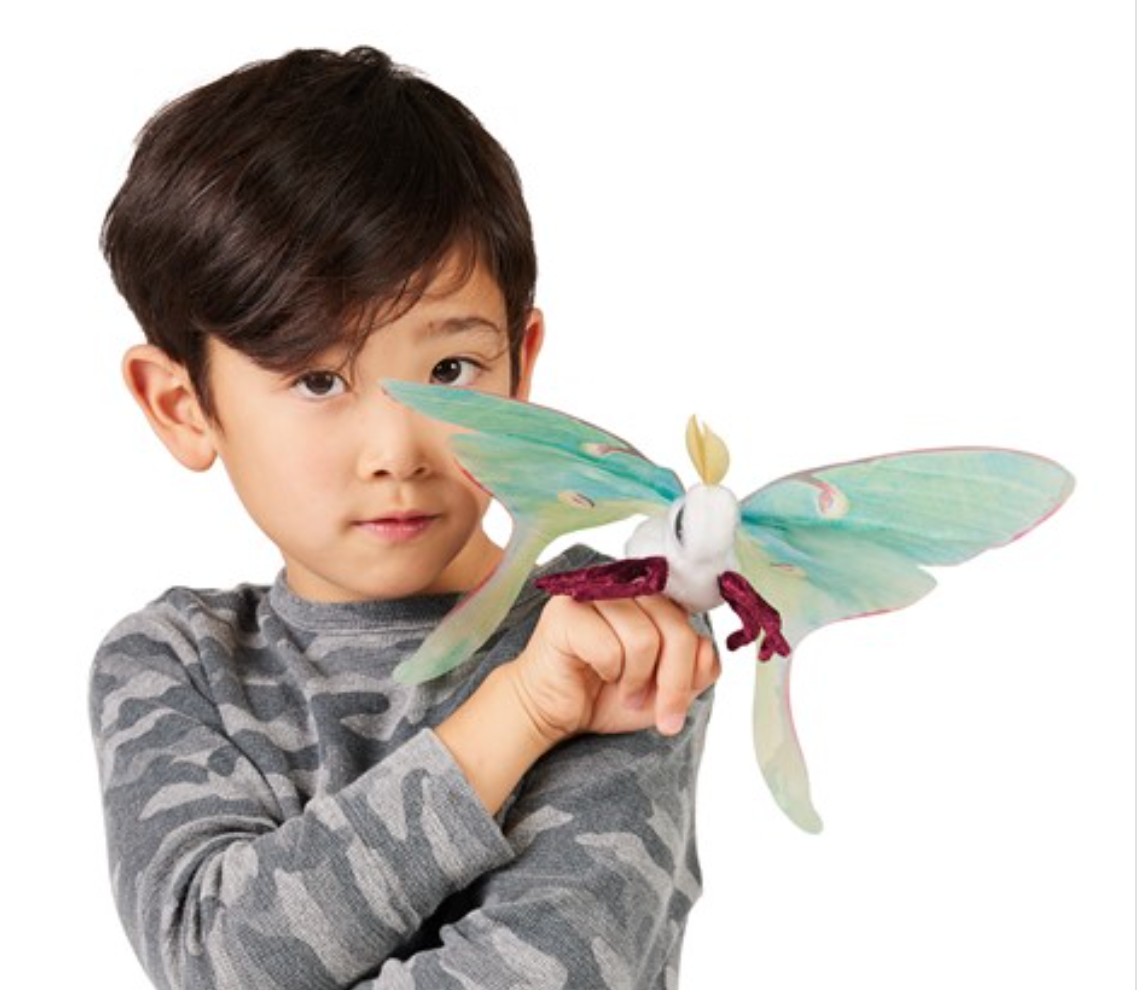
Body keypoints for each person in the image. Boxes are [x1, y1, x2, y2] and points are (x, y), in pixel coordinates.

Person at [90, 46, 719, 989]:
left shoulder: (614, 627)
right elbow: (215, 957)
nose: (396, 449)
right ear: (182, 406)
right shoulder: (177, 664)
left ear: (520, 363)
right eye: (317, 380)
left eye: (451, 371)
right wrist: (521, 711)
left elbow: (544, 969)